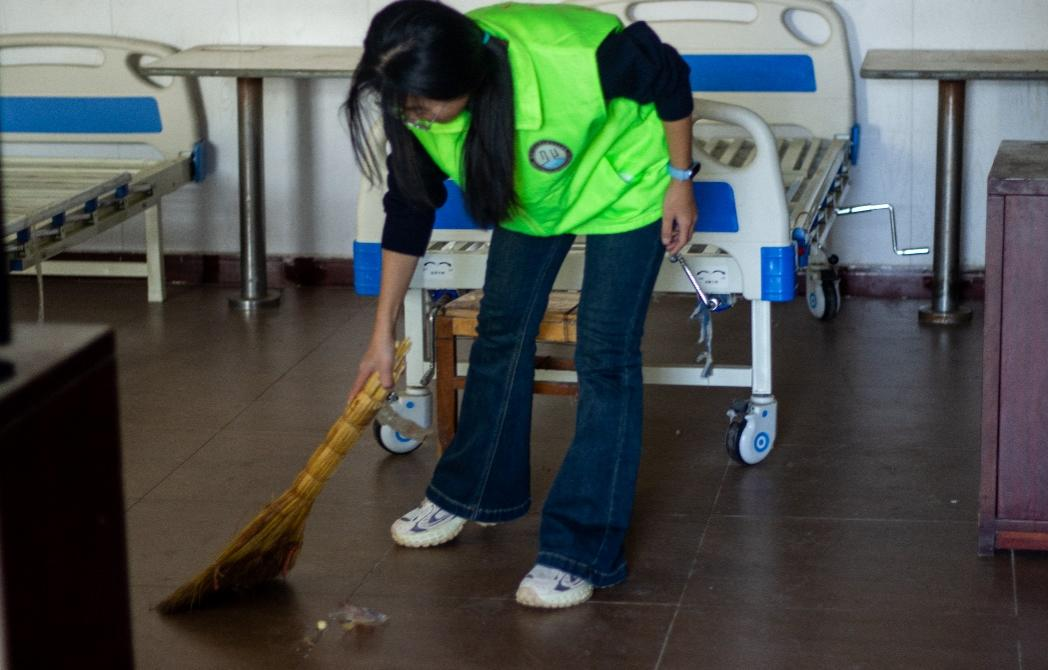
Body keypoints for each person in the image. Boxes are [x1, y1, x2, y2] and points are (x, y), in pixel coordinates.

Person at [345, 0, 697, 609]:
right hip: (535, 193)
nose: (410, 115)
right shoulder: (412, 99)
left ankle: (580, 548)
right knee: (501, 330)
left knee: (604, 355)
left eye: (423, 105)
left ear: (470, 79)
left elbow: (669, 75)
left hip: (626, 184)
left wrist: (680, 179)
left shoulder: (580, 60)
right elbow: (407, 210)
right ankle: (471, 491)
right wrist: (381, 335)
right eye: (401, 103)